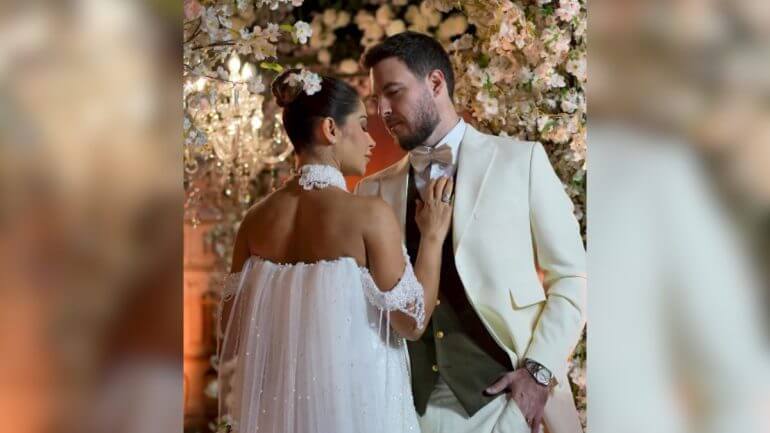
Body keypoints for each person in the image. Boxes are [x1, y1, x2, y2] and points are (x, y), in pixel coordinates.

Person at [357, 31, 587, 433]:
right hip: (406, 409)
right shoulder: (371, 190)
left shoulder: (521, 163)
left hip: (510, 400)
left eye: (393, 93)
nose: (383, 111)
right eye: (377, 100)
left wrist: (538, 373)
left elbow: (572, 278)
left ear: (435, 83)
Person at [216, 68, 453, 433]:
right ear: (330, 129)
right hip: (360, 409)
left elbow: (231, 333)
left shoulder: (255, 220)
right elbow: (412, 322)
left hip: (282, 413)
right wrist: (433, 239)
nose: (371, 140)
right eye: (362, 125)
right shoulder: (369, 215)